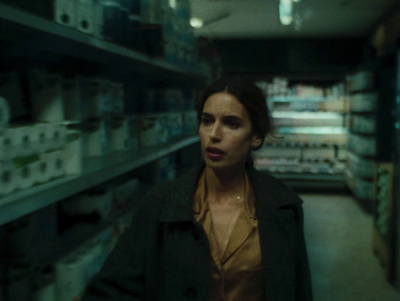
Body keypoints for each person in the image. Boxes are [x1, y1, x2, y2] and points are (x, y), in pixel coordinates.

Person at [83, 77, 313, 301]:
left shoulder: (282, 207)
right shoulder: (161, 203)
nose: (214, 134)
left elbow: (297, 289)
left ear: (254, 137)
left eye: (231, 123)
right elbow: (112, 288)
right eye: (207, 120)